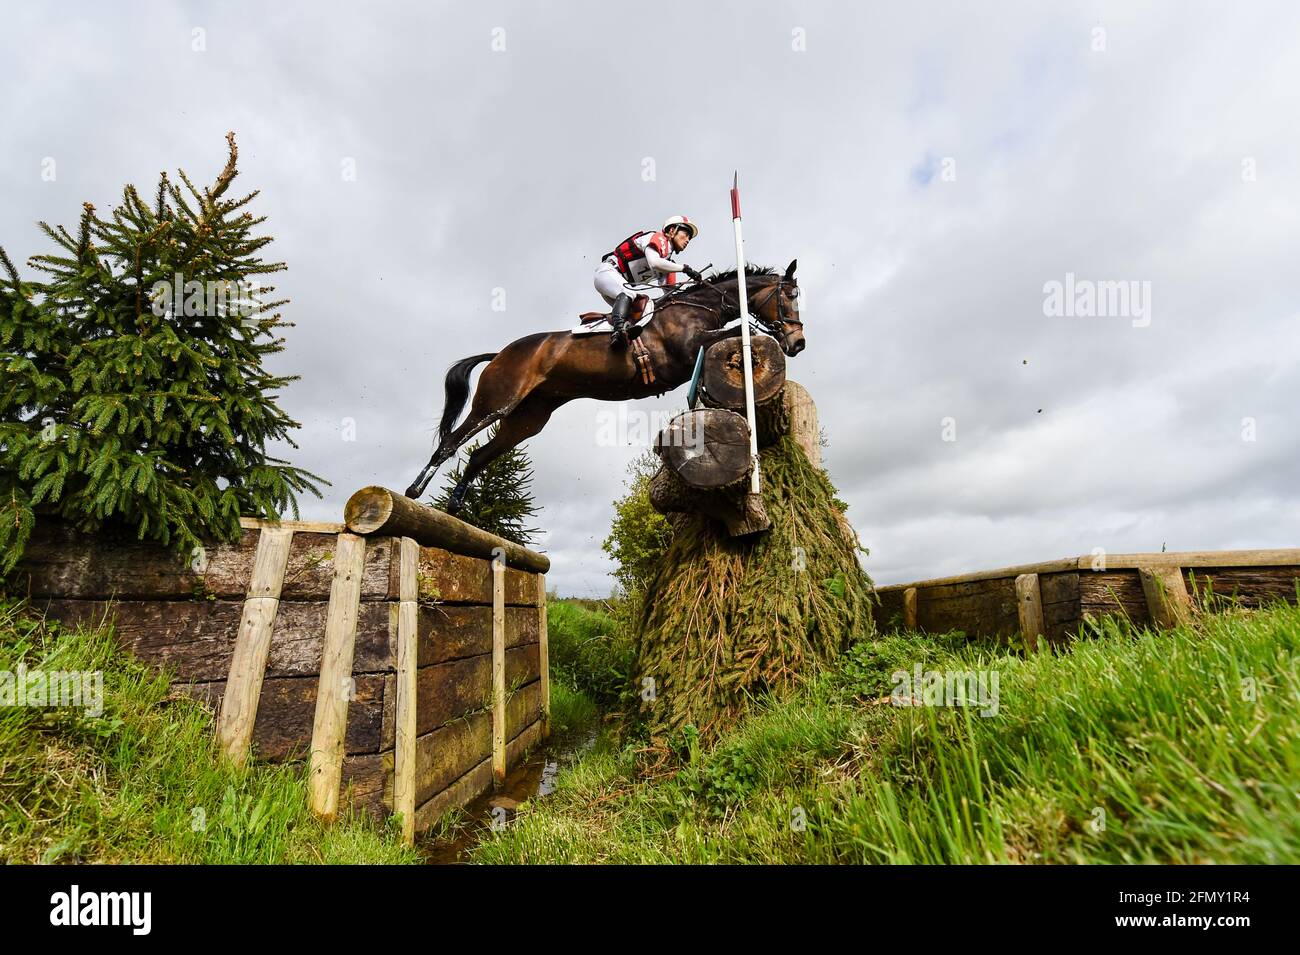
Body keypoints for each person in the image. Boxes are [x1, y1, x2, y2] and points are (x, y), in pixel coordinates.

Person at [594, 215, 703, 348]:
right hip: (607, 273)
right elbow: (654, 263)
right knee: (630, 294)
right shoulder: (658, 238)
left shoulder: (668, 264)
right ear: (672, 230)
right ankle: (618, 333)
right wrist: (684, 269)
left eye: (689, 238)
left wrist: (694, 291)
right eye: (685, 234)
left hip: (618, 286)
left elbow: (670, 293)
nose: (687, 240)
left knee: (643, 310)